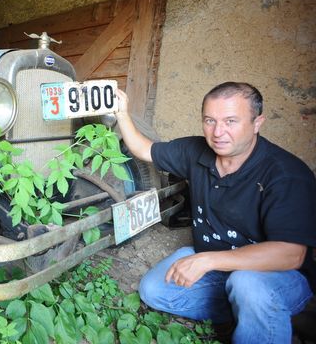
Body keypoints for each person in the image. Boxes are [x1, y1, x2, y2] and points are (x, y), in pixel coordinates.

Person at [113, 82, 316, 343]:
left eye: (231, 121)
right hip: (219, 263)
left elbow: (291, 255)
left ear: (257, 122)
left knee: (247, 286)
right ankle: (248, 316)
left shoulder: (285, 174)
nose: (218, 132)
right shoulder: (196, 151)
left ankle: (264, 310)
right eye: (210, 120)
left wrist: (207, 261)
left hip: (276, 276)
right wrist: (122, 114)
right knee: (153, 289)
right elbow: (144, 150)